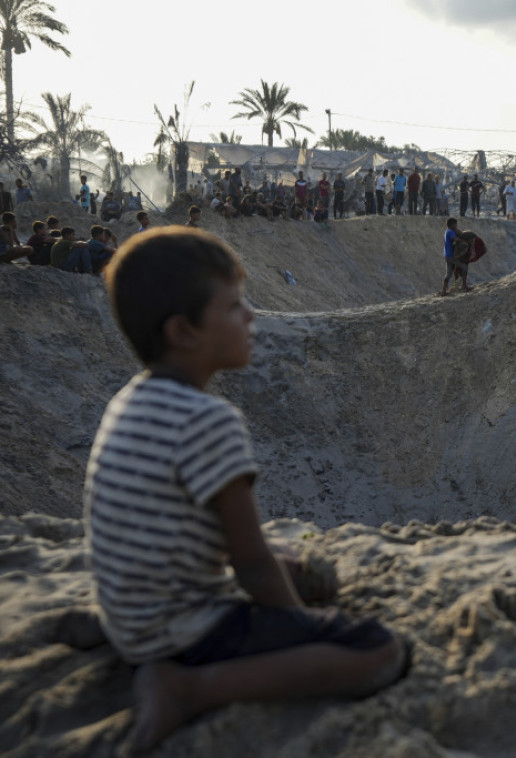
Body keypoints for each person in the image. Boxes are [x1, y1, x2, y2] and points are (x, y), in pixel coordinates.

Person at [85, 228, 407, 753]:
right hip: (181, 632)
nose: (252, 315)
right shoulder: (208, 420)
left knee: (295, 567)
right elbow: (251, 565)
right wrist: (301, 628)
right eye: (235, 305)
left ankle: (123, 640)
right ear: (185, 332)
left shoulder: (129, 401)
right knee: (378, 651)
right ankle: (187, 690)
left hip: (129, 616)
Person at [440, 216, 470, 295]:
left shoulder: (447, 231)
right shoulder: (451, 232)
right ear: (452, 225)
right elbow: (456, 239)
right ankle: (464, 286)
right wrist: (464, 240)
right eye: (455, 224)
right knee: (464, 267)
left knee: (448, 274)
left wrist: (456, 230)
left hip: (447, 255)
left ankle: (443, 291)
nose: (456, 226)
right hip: (451, 256)